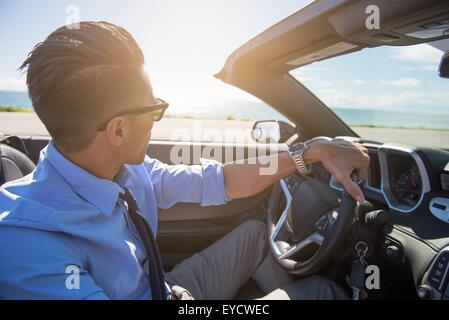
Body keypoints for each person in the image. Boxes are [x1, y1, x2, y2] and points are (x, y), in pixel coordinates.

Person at [0, 21, 369, 300]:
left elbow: (221, 181)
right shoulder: (27, 242)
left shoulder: (125, 170)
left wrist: (311, 152)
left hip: (165, 288)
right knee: (321, 292)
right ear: (117, 131)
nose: (157, 114)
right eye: (154, 107)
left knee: (258, 236)